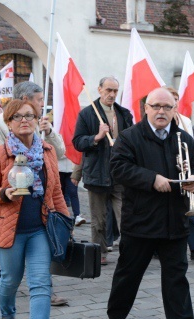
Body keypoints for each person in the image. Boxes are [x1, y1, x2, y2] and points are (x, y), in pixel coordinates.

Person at [106, 87, 194, 319]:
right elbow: (118, 169)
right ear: (146, 109)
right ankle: (116, 313)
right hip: (141, 219)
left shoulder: (184, 138)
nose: (161, 111)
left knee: (176, 275)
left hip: (175, 218)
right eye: (156, 106)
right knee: (129, 271)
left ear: (175, 110)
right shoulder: (129, 137)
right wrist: (152, 179)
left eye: (167, 107)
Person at [0, 100, 69, 319]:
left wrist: (65, 221)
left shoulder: (48, 151)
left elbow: (56, 193)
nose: (24, 120)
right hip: (8, 229)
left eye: (30, 115)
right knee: (10, 279)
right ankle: (7, 314)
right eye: (17, 117)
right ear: (8, 123)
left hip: (40, 229)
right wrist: (5, 193)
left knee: (41, 283)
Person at [0, 82, 68, 306]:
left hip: (39, 213)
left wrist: (48, 132)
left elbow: (59, 154)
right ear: (24, 99)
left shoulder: (40, 124)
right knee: (9, 267)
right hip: (9, 208)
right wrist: (5, 191)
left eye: (40, 103)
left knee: (38, 274)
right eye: (39, 100)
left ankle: (43, 294)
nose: (43, 104)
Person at [73, 76, 133, 266]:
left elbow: (133, 140)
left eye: (115, 91)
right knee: (98, 220)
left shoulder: (124, 114)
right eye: (108, 90)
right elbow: (78, 142)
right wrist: (97, 137)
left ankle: (130, 251)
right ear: (99, 90)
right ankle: (99, 253)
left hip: (120, 174)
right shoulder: (88, 114)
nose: (112, 94)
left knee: (126, 216)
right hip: (97, 174)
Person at [165, 87, 194, 260]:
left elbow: (188, 142)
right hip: (168, 171)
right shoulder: (161, 121)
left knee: (188, 205)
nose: (175, 101)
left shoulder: (184, 120)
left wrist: (193, 150)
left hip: (186, 168)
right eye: (172, 98)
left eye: (176, 98)